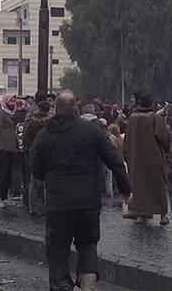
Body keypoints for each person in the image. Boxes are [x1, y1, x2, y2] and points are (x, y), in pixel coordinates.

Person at [31, 92, 131, 291]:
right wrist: (125, 189)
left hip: (58, 204)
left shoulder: (44, 135)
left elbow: (36, 171)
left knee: (58, 249)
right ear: (75, 109)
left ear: (56, 109)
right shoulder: (92, 132)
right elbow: (116, 161)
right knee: (87, 244)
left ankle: (61, 285)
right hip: (88, 202)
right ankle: (88, 280)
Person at [124, 94, 171, 224]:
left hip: (136, 159)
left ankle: (141, 214)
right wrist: (167, 149)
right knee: (158, 184)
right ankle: (162, 215)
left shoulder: (132, 119)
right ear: (151, 104)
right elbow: (164, 137)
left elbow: (126, 139)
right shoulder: (155, 118)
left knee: (139, 186)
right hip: (154, 158)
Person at [24, 100, 51, 216]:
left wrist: (29, 147)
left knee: (33, 182)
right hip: (48, 153)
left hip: (34, 152)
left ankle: (32, 207)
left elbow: (25, 137)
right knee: (47, 182)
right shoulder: (51, 122)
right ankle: (47, 206)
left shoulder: (31, 121)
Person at [0, 94, 18, 208]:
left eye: (14, 100)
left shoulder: (10, 113)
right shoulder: (0, 112)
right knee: (0, 174)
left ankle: (4, 197)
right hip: (1, 148)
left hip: (10, 148)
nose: (13, 102)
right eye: (11, 100)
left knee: (7, 174)